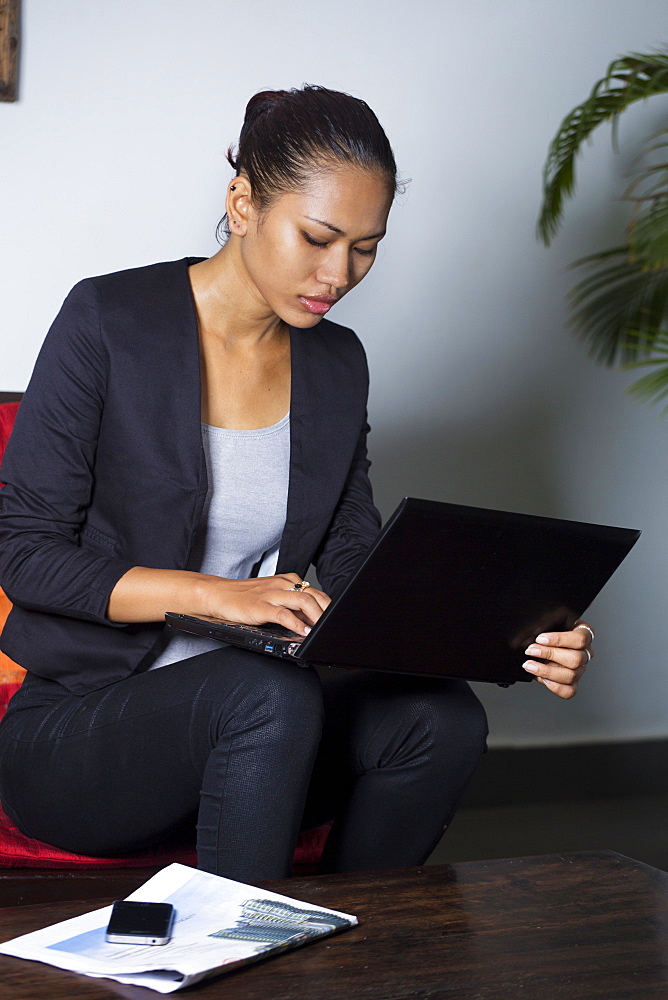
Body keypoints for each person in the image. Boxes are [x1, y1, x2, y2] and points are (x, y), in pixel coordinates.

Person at [0, 86, 594, 881]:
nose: (339, 272)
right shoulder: (108, 320)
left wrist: (514, 639)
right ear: (242, 202)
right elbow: (24, 551)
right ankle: (247, 948)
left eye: (365, 246)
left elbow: (355, 564)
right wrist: (216, 596)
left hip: (266, 732)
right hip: (80, 735)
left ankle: (347, 949)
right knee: (265, 690)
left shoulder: (336, 363)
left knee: (440, 720)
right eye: (317, 238)